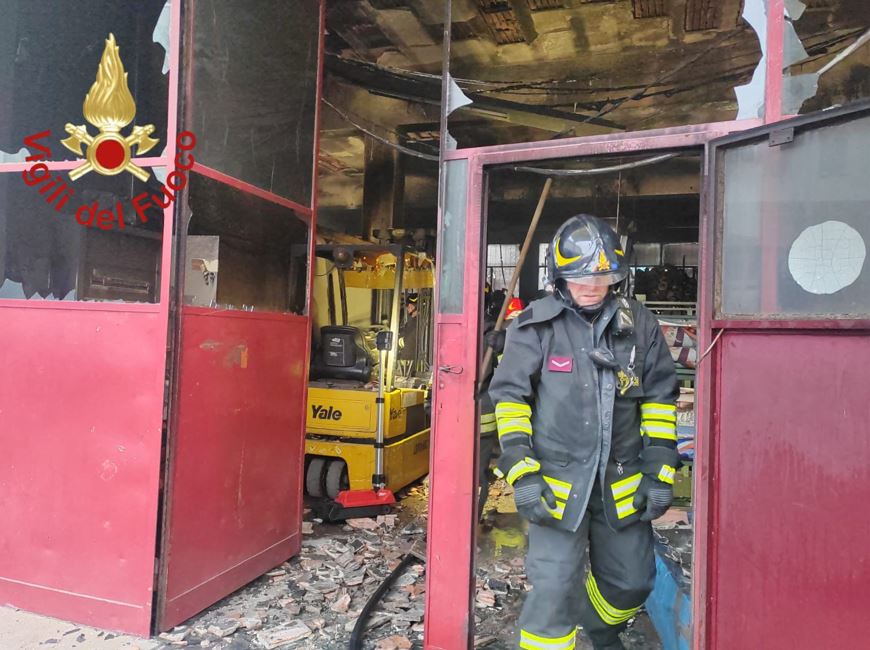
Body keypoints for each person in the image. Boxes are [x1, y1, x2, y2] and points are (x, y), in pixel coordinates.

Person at [488, 214, 679, 650]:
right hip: (556, 486)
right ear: (560, 277)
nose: (593, 286)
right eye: (581, 278)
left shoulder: (640, 325)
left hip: (621, 484)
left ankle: (597, 631)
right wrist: (522, 472)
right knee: (554, 591)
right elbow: (511, 401)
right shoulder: (534, 326)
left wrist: (660, 470)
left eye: (603, 278)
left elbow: (659, 399)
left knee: (633, 582)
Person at [397, 292, 419, 365]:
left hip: (409, 363)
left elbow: (409, 343)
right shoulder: (424, 322)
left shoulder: (413, 324)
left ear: (410, 306)